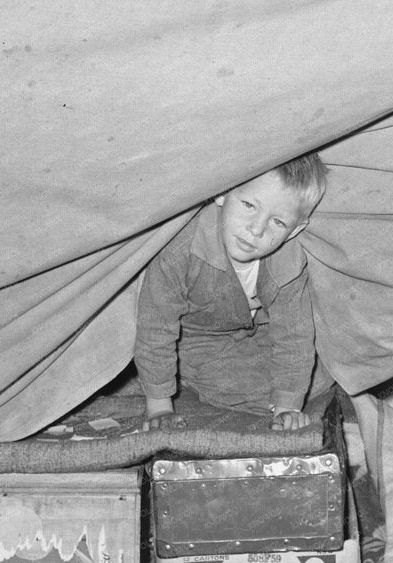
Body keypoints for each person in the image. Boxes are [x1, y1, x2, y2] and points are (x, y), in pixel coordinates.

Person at [134, 154, 328, 433]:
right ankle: (185, 379)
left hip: (258, 331)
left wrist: (288, 407)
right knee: (242, 385)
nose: (256, 229)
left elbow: (293, 335)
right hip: (199, 339)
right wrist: (159, 406)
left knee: (327, 365)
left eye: (278, 222)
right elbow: (155, 327)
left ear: (295, 230)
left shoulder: (288, 261)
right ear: (223, 193)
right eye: (249, 205)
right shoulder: (181, 249)